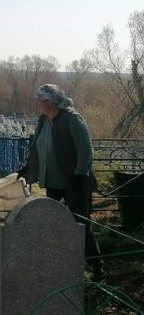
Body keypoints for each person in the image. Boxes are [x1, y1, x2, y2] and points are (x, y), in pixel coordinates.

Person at [19, 83, 105, 282]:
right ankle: (61, 265)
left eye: (40, 99)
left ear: (49, 101)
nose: (37, 103)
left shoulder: (72, 118)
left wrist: (80, 175)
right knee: (54, 222)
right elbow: (37, 147)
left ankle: (98, 269)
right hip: (53, 183)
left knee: (80, 225)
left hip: (74, 183)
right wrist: (28, 168)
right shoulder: (44, 120)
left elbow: (86, 149)